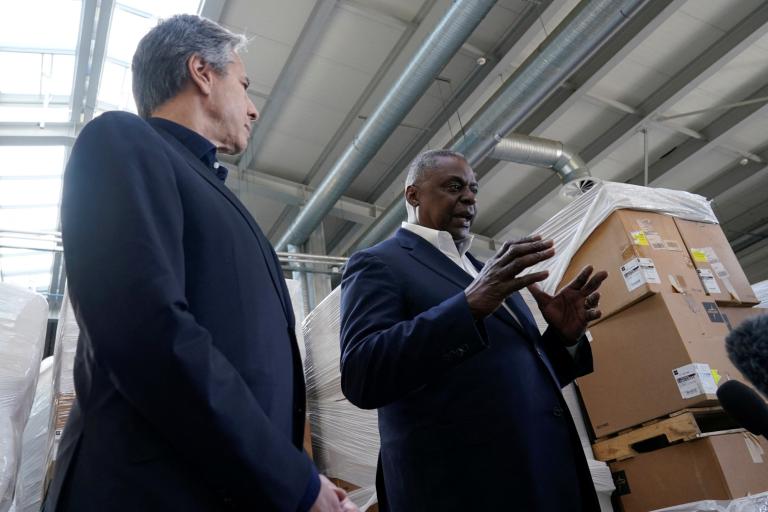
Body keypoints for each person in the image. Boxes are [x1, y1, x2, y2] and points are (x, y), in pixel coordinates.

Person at [45, 15, 356, 512]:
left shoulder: (208, 188)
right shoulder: (122, 141)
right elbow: (147, 330)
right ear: (202, 73)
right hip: (150, 492)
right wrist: (293, 479)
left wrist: (297, 473)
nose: (253, 110)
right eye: (245, 84)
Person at [339, 149, 608, 511]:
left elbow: (507, 378)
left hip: (543, 477)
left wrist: (562, 339)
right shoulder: (380, 263)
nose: (469, 197)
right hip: (464, 488)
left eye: (473, 189)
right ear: (413, 195)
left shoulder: (485, 270)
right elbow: (362, 373)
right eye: (454, 186)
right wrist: (466, 307)